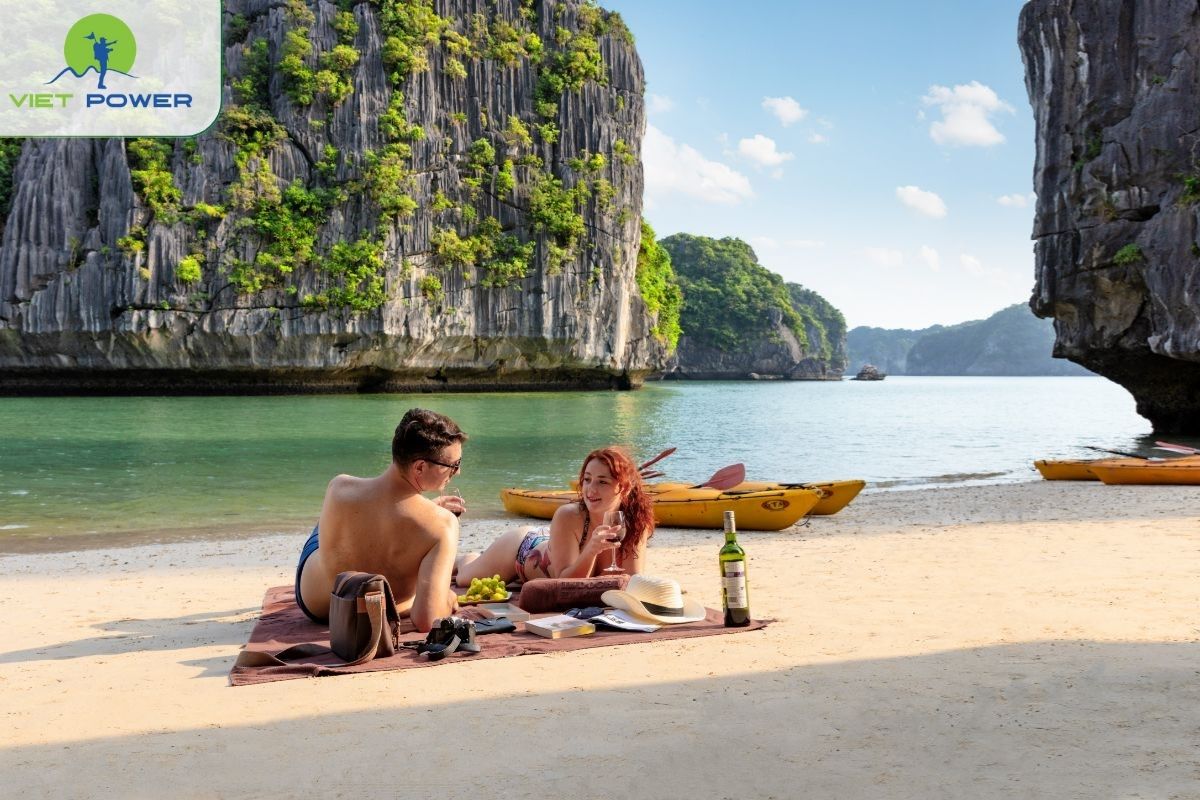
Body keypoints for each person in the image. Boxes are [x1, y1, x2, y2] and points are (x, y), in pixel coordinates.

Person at [296, 408, 468, 632]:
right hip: (372, 608)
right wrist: (446, 598)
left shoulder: (340, 487)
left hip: (317, 605)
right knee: (420, 536)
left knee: (336, 522)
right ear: (420, 467)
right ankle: (413, 514)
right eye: (453, 466)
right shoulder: (443, 525)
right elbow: (427, 620)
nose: (458, 471)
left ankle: (406, 512)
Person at [455, 446, 654, 587]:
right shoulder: (569, 516)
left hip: (553, 544)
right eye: (587, 480)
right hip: (522, 548)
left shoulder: (635, 524)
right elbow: (565, 582)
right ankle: (465, 558)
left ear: (624, 488)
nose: (590, 490)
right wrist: (591, 550)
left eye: (602, 482)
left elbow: (631, 580)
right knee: (464, 578)